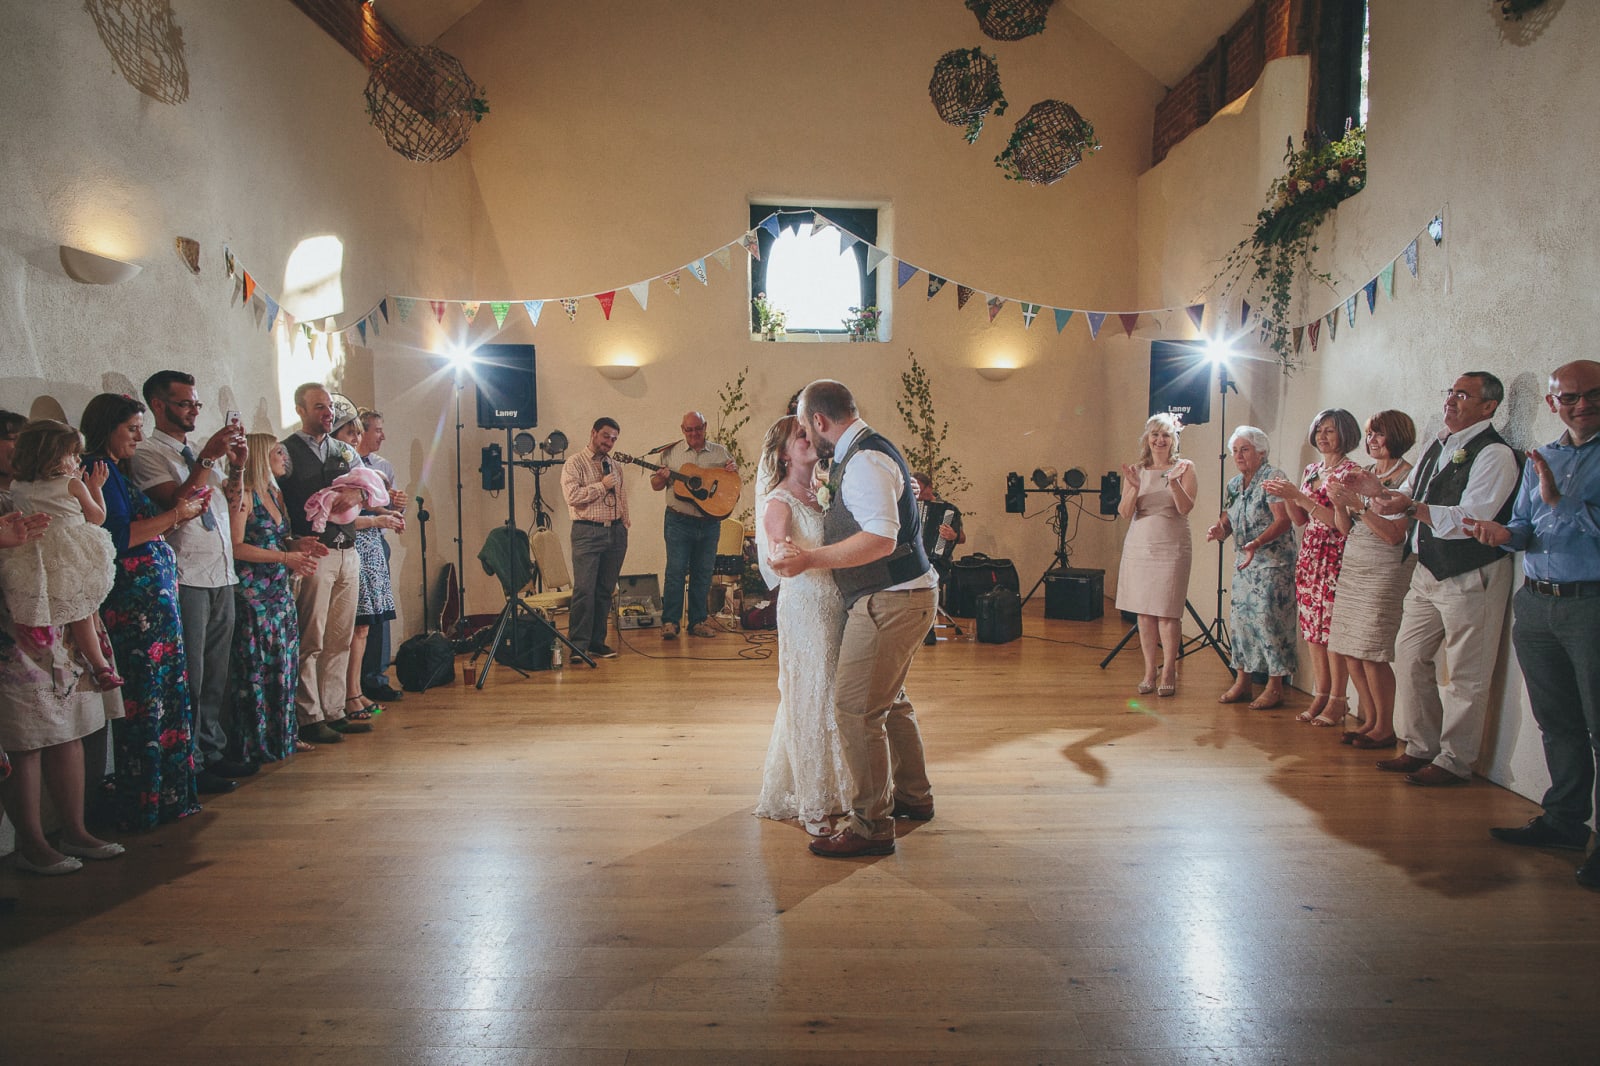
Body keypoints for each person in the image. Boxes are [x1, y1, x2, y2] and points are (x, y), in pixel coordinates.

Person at [772, 380, 937, 859]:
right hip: (902, 594)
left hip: (890, 599)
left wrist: (811, 559)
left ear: (820, 422)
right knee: (892, 702)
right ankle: (914, 796)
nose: (805, 433)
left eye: (805, 425)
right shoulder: (862, 453)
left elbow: (881, 541)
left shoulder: (862, 460)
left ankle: (871, 826)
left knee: (854, 709)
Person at [1349, 371, 1520, 787]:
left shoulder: (1495, 454)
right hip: (1426, 572)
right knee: (1408, 657)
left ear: (1488, 407)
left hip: (1470, 571)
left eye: (1463, 395)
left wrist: (1412, 508)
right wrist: (1376, 491)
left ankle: (1454, 761)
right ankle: (1420, 745)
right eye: (1451, 392)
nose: (1451, 400)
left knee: (1466, 674)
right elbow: (1403, 500)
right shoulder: (1437, 445)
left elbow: (1471, 518)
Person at [1468, 360, 1600, 886]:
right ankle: (1566, 823)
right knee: (1559, 723)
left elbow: (1558, 511)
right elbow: (1525, 525)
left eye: (1592, 395)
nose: (1582, 405)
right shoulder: (1542, 456)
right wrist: (1505, 535)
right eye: (1570, 398)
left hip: (1590, 604)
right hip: (1538, 603)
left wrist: (1559, 502)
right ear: (1553, 404)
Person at [82, 392, 206, 831]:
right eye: (131, 428)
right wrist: (176, 515)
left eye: (139, 427)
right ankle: (146, 799)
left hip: (153, 604)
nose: (139, 435)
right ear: (106, 428)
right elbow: (118, 536)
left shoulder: (118, 470)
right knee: (145, 702)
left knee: (166, 697)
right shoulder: (96, 469)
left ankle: (171, 793)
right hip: (134, 609)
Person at [130, 371, 254, 791]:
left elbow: (231, 505)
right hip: (186, 574)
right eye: (185, 404)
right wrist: (206, 460)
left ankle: (212, 751)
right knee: (194, 675)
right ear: (159, 406)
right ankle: (191, 762)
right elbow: (177, 501)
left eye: (197, 404)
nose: (194, 412)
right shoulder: (148, 453)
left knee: (217, 672)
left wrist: (236, 469)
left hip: (220, 570)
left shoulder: (201, 453)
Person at [0, 500, 125, 875]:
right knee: (26, 739)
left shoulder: (44, 495)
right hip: (12, 631)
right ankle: (33, 844)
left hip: (57, 629)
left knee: (69, 731)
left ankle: (75, 830)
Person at [753, 415, 851, 836]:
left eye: (810, 433)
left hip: (838, 604)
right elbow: (778, 551)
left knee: (835, 694)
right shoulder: (779, 501)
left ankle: (839, 789)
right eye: (800, 436)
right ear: (783, 453)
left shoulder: (823, 492)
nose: (809, 439)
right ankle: (813, 802)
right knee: (811, 694)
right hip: (807, 609)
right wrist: (780, 555)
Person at [279, 385, 371, 745]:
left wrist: (360, 494)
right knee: (312, 636)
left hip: (348, 547)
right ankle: (309, 714)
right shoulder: (287, 452)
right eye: (319, 407)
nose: (328, 413)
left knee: (339, 636)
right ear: (300, 409)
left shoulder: (344, 450)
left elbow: (371, 485)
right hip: (314, 551)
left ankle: (334, 709)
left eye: (330, 407)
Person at [0, 420, 121, 690]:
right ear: (55, 456)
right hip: (71, 555)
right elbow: (97, 518)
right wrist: (95, 488)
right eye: (73, 454)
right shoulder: (72, 484)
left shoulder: (18, 485)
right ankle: (101, 665)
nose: (78, 460)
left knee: (66, 610)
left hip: (35, 559)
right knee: (85, 610)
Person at [1324, 410, 1417, 748]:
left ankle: (1385, 726)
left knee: (1372, 650)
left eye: (1378, 434)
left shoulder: (1410, 476)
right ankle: (1370, 719)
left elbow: (1395, 535)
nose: (1372, 441)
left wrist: (1359, 506)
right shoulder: (1364, 473)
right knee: (1351, 648)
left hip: (1385, 565)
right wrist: (1339, 504)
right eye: (1369, 434)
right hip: (1356, 561)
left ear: (1397, 435)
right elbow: (1346, 527)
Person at [1264, 409, 1363, 727]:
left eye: (1330, 430)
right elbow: (1299, 521)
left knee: (1332, 632)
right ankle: (1321, 692)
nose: (1323, 436)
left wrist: (1299, 497)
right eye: (1319, 429)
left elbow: (1339, 523)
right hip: (1310, 556)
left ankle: (1338, 698)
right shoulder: (1312, 469)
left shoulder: (1351, 472)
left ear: (1345, 434)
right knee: (1312, 631)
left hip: (1336, 556)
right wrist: (1287, 496)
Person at [228, 434, 317, 761]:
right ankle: (257, 744)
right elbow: (236, 546)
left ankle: (284, 736)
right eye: (277, 451)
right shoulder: (244, 495)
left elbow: (281, 540)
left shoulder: (274, 494)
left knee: (284, 665)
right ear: (260, 456)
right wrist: (284, 558)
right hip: (253, 592)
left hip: (279, 590)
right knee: (256, 669)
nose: (284, 456)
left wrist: (299, 546)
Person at [1205, 427, 1297, 709]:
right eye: (1235, 451)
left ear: (1261, 452)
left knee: (1269, 622)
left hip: (1272, 564)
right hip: (1245, 563)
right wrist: (1218, 530)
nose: (1239, 456)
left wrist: (1256, 542)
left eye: (1245, 450)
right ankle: (1242, 681)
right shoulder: (1234, 484)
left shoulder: (1273, 478)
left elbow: (1283, 521)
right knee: (1241, 623)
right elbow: (1227, 520)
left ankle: (1275, 685)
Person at [1115, 413, 1197, 697]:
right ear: (1147, 439)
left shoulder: (1185, 467)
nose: (1160, 440)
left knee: (1167, 611)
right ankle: (1150, 670)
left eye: (1165, 435)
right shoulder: (1137, 470)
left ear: (1174, 439)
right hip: (1140, 545)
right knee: (1145, 612)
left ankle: (1169, 669)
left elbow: (1185, 508)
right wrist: (1134, 488)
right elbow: (1125, 513)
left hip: (1172, 545)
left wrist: (1173, 482)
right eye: (1155, 435)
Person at [332, 410, 402, 720]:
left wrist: (388, 510)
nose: (356, 440)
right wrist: (378, 516)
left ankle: (358, 691)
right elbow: (342, 516)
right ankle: (347, 694)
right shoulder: (337, 470)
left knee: (365, 626)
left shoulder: (368, 468)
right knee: (351, 627)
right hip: (352, 546)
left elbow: (376, 503)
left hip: (373, 545)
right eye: (351, 434)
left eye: (358, 434)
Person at [651, 410, 736, 640]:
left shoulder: (719, 452)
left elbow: (732, 481)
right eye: (689, 429)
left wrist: (732, 472)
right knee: (675, 571)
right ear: (682, 429)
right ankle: (670, 622)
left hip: (709, 524)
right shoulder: (670, 452)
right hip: (678, 520)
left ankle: (698, 621)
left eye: (698, 428)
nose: (694, 433)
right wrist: (661, 476)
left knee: (703, 573)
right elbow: (656, 485)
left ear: (705, 427)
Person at [561, 417, 629, 659]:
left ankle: (597, 643)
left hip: (616, 532)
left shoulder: (614, 464)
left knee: (604, 590)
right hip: (587, 532)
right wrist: (601, 485)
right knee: (584, 590)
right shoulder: (574, 463)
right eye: (606, 436)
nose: (609, 442)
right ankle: (578, 646)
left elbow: (621, 496)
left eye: (613, 439)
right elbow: (572, 496)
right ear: (593, 433)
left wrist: (624, 523)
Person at [356, 409, 405, 703]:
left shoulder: (383, 466)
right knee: (355, 620)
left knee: (379, 614)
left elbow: (395, 512)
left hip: (376, 543)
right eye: (377, 430)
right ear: (360, 432)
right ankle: (353, 685)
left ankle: (376, 677)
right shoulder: (347, 463)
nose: (383, 436)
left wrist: (399, 507)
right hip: (351, 542)